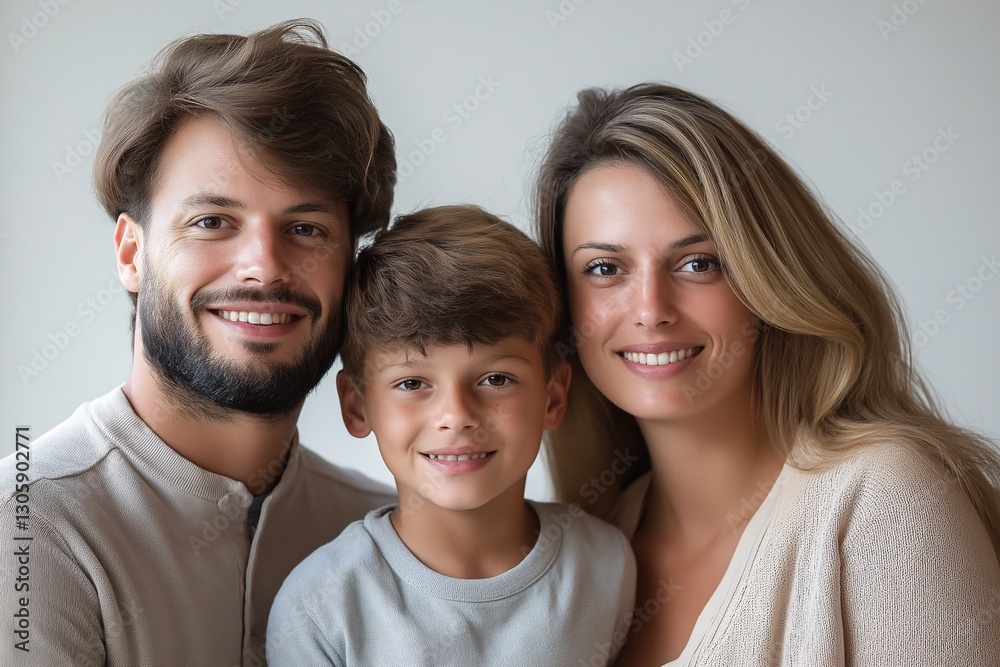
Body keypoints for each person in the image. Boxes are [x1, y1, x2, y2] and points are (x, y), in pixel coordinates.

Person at [535, 83, 1000, 665]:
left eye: (698, 263)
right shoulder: (592, 538)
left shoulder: (886, 507)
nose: (650, 309)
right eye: (605, 268)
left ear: (766, 280)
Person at [0, 20, 396, 666]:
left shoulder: (388, 528)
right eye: (213, 221)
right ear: (132, 252)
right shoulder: (26, 531)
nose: (264, 267)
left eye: (306, 227)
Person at [265, 205, 636, 666]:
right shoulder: (321, 607)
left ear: (553, 397)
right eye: (412, 384)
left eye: (496, 379)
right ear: (357, 406)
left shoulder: (607, 565)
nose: (456, 416)